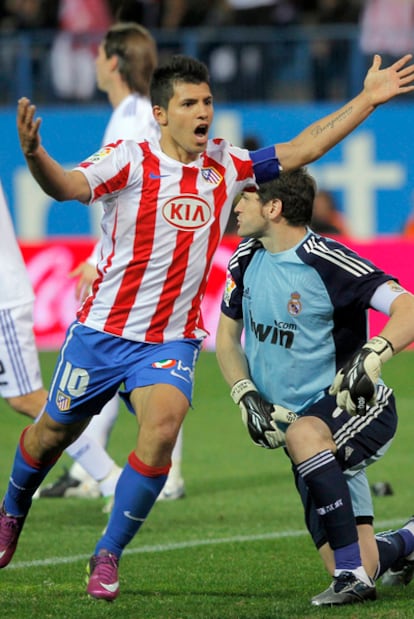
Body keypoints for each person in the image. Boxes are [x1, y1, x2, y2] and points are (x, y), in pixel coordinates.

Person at [1, 51, 414, 602]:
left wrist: (366, 99)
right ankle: (12, 509)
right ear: (161, 113)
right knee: (51, 433)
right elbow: (66, 187)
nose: (203, 113)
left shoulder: (227, 164)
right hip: (102, 332)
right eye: (190, 103)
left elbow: (303, 148)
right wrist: (33, 154)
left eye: (208, 102)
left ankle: (108, 553)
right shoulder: (128, 159)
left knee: (164, 427)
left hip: (170, 340)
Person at [215, 167, 414, 606]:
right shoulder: (246, 255)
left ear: (273, 207)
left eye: (246, 197)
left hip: (354, 405)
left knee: (305, 432)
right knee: (363, 558)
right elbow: (226, 339)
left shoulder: (328, 260)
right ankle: (400, 546)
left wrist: (374, 353)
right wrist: (245, 394)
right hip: (301, 431)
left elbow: (407, 307)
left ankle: (350, 582)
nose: (237, 204)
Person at [37, 21, 185, 504]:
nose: (95, 61)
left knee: (130, 354)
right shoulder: (141, 111)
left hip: (135, 259)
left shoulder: (129, 118)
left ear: (115, 62)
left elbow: (125, 195)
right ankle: (97, 470)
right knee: (139, 359)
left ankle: (153, 474)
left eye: (100, 53)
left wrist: (101, 257)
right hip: (143, 255)